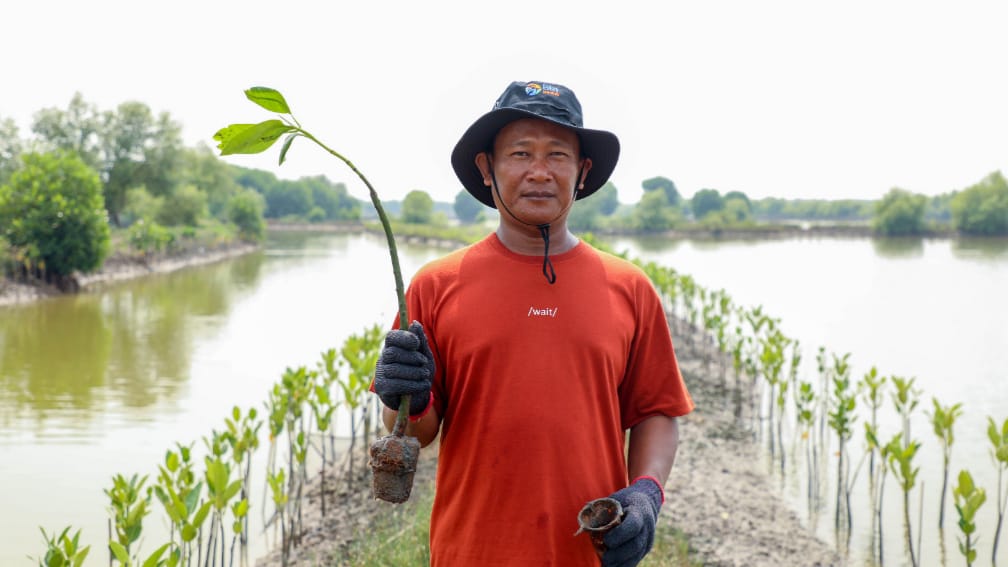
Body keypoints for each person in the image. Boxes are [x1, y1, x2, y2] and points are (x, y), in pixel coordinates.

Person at [372, 80, 694, 566]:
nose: (540, 172)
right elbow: (413, 433)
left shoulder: (629, 288)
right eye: (521, 154)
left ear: (583, 171)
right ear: (487, 168)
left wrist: (647, 492)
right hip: (469, 553)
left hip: (588, 553)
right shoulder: (434, 286)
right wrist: (407, 400)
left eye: (558, 155)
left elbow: (656, 410)